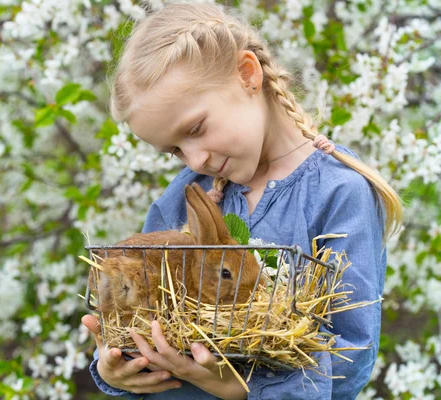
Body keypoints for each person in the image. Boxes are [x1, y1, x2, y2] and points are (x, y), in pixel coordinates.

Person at [81, 3, 403, 399]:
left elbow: (350, 354)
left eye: (196, 128)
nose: (195, 158)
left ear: (248, 75)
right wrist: (118, 369)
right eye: (176, 150)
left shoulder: (337, 193)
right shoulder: (188, 195)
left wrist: (237, 387)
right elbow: (145, 309)